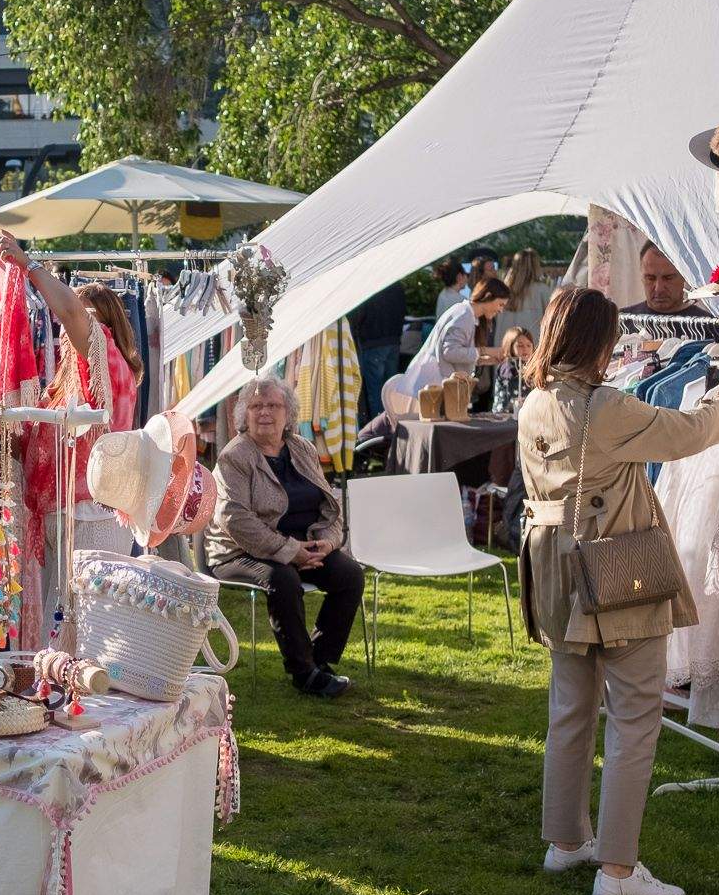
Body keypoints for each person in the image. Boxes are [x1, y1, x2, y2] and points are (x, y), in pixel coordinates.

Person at [517, 286, 719, 895]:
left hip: (552, 566)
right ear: (596, 340)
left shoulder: (535, 401)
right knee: (635, 717)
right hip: (616, 569)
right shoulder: (605, 407)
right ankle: (617, 871)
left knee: (570, 710)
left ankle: (566, 842)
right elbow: (686, 432)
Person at [0, 233, 143, 586]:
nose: (68, 327)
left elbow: (72, 312)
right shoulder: (80, 380)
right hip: (79, 515)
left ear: (102, 324)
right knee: (67, 624)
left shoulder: (104, 359)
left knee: (77, 625)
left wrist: (28, 266)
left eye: (83, 319)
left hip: (92, 517)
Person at [207, 375, 363, 700]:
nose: (265, 412)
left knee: (349, 575)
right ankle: (303, 673)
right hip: (239, 553)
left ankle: (319, 659)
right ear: (244, 415)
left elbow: (329, 505)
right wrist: (289, 551)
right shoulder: (234, 457)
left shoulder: (302, 448)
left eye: (273, 405)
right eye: (256, 406)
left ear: (288, 413)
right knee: (284, 579)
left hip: (303, 546)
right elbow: (235, 520)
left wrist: (328, 542)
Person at [414, 276, 511, 376]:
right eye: (500, 304)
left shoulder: (468, 314)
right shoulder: (464, 315)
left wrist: (486, 360)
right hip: (434, 382)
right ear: (488, 296)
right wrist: (486, 351)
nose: (501, 310)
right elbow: (450, 352)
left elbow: (459, 355)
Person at [349, 279, 407, 425]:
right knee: (392, 391)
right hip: (393, 341)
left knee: (376, 394)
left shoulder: (370, 285)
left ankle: (380, 429)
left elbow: (359, 317)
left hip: (373, 342)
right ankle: (395, 426)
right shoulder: (397, 284)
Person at [619, 243, 715, 321]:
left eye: (668, 278)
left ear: (685, 276)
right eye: (650, 278)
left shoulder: (711, 327)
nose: (659, 288)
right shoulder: (619, 323)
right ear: (641, 276)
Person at [490, 327, 534, 415]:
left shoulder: (532, 366)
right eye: (520, 345)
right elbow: (510, 375)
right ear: (510, 346)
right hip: (504, 414)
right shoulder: (506, 365)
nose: (525, 349)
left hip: (526, 414)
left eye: (529, 345)